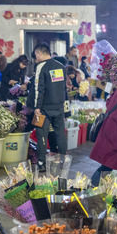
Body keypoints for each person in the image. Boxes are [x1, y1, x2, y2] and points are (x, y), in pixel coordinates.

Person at [32, 43, 67, 171]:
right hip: (58, 106)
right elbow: (64, 89)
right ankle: (63, 160)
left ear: (40, 53)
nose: (36, 57)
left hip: (44, 108)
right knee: (60, 134)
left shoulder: (41, 66)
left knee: (41, 133)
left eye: (36, 55)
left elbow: (38, 89)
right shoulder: (60, 66)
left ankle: (41, 163)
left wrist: (37, 107)